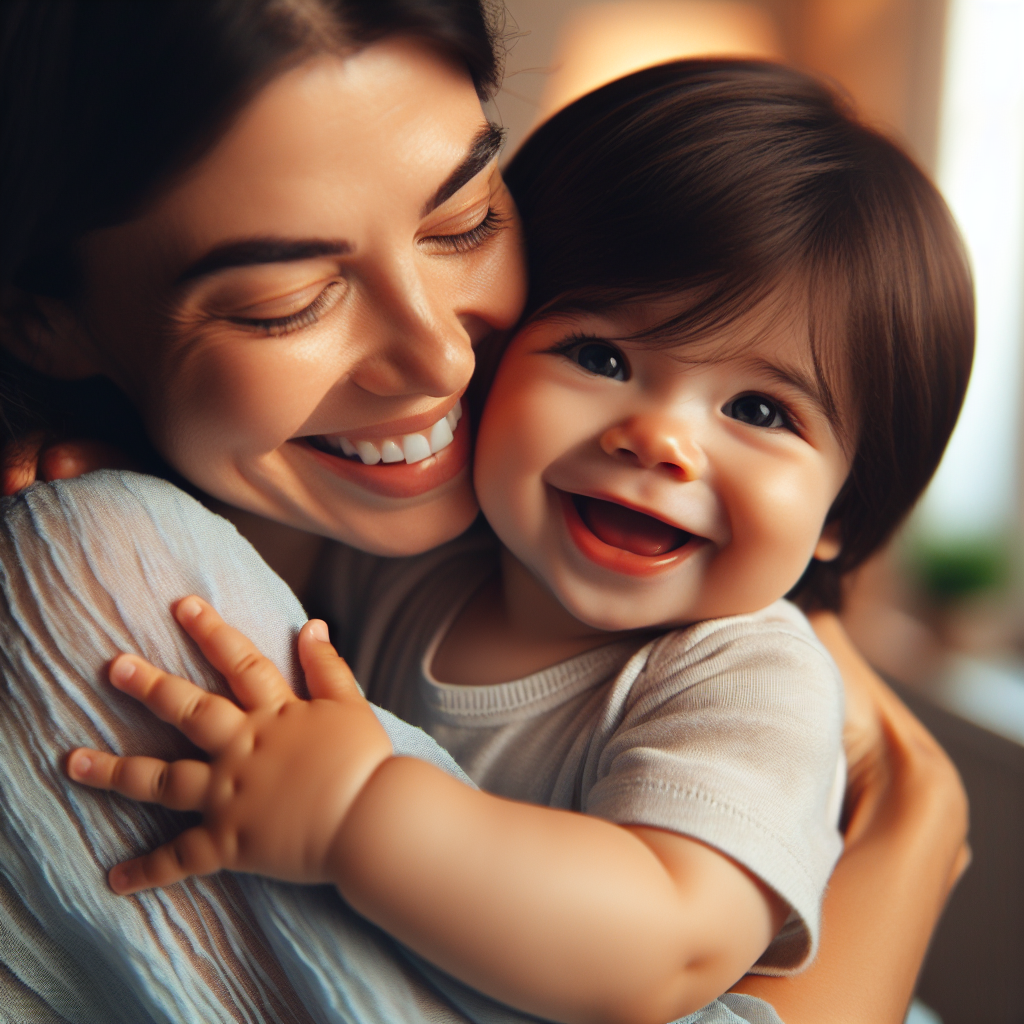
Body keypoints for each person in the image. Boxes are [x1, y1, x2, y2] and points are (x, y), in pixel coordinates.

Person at [0, 2, 967, 1021]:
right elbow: (245, 550)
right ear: (43, 320)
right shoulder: (425, 564)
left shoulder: (746, 679)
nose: (660, 439)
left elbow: (666, 948)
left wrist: (358, 814)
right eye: (600, 357)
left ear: (843, 514)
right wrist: (135, 471)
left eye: (461, 223)